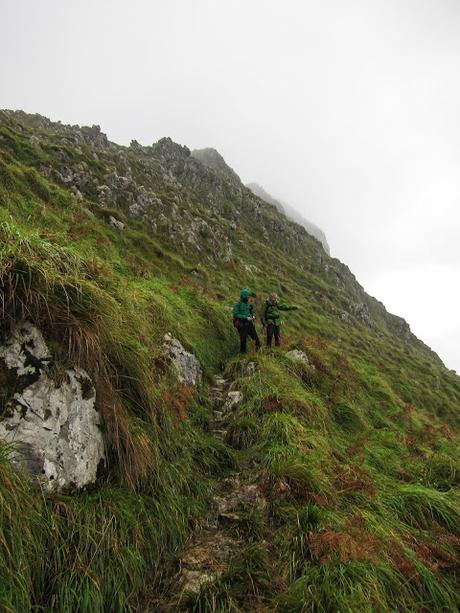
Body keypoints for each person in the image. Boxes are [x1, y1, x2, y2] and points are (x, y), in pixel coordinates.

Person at [232, 288, 261, 353]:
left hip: (250, 324)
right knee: (243, 341)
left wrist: (253, 316)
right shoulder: (237, 305)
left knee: (257, 340)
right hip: (242, 325)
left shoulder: (249, 304)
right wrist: (245, 317)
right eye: (248, 296)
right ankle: (242, 355)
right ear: (244, 296)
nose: (249, 298)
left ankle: (258, 353)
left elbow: (252, 311)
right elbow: (236, 315)